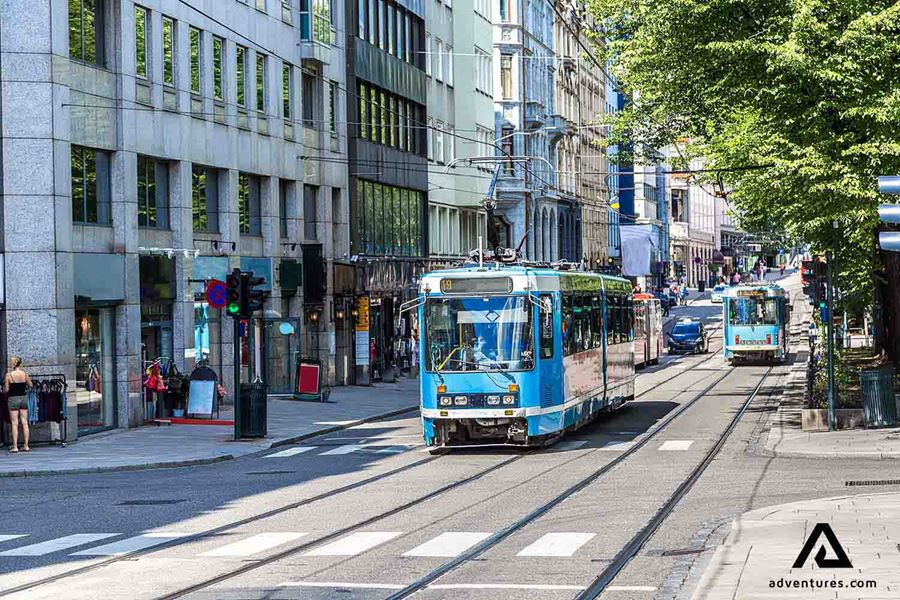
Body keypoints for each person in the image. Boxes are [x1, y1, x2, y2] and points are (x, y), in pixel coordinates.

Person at [4, 356, 33, 453]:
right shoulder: (24, 374)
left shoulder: (8, 375)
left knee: (14, 423)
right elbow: (31, 385)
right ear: (20, 364)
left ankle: (15, 446)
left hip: (13, 399)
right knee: (24, 422)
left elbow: (6, 389)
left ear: (13, 364)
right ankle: (26, 445)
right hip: (23, 398)